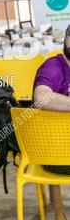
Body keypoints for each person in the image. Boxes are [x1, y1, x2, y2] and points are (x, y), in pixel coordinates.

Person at [32, 23, 70, 175]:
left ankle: (56, 200)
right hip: (56, 155)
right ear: (65, 40)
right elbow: (41, 97)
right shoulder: (53, 67)